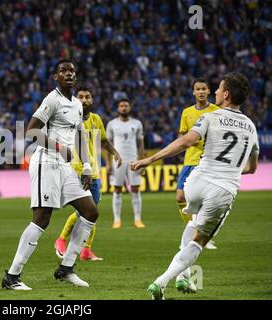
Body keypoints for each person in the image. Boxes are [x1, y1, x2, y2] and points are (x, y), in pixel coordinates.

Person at [131, 72, 259, 300]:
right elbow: (251, 168)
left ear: (226, 94)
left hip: (197, 181)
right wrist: (230, 169)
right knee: (200, 240)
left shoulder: (211, 117)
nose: (216, 92)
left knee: (192, 223)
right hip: (222, 190)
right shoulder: (250, 126)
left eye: (219, 89)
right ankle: (160, 283)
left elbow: (185, 142)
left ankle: (183, 276)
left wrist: (150, 160)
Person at [1, 59, 99, 290]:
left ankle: (65, 269)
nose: (69, 74)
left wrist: (86, 166)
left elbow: (80, 137)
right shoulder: (52, 99)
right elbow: (31, 130)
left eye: (72, 71)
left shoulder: (76, 104)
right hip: (46, 161)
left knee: (90, 211)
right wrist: (59, 148)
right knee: (42, 218)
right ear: (56, 76)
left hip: (65, 166)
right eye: (64, 71)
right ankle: (12, 277)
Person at [54, 87, 122, 261]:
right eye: (81, 97)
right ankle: (61, 239)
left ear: (92, 100)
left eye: (87, 97)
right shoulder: (69, 119)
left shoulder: (96, 119)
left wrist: (115, 153)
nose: (84, 100)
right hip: (74, 169)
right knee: (86, 210)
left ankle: (86, 250)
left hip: (93, 171)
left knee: (92, 212)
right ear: (76, 99)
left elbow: (104, 141)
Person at [177, 79, 219, 251]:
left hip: (208, 161)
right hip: (190, 160)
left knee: (204, 202)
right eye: (197, 89)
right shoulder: (187, 112)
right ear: (193, 92)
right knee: (180, 198)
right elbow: (182, 135)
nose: (201, 91)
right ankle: (196, 230)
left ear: (208, 91)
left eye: (203, 88)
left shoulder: (216, 111)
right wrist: (190, 141)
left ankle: (202, 235)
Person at [106, 99, 146, 229]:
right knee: (117, 189)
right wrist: (107, 163)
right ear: (118, 108)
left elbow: (140, 144)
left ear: (130, 108)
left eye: (126, 106)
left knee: (135, 188)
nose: (124, 108)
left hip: (133, 160)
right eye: (121, 106)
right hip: (117, 161)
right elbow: (108, 145)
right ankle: (117, 220)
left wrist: (142, 161)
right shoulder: (112, 124)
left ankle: (137, 219)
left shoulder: (137, 123)